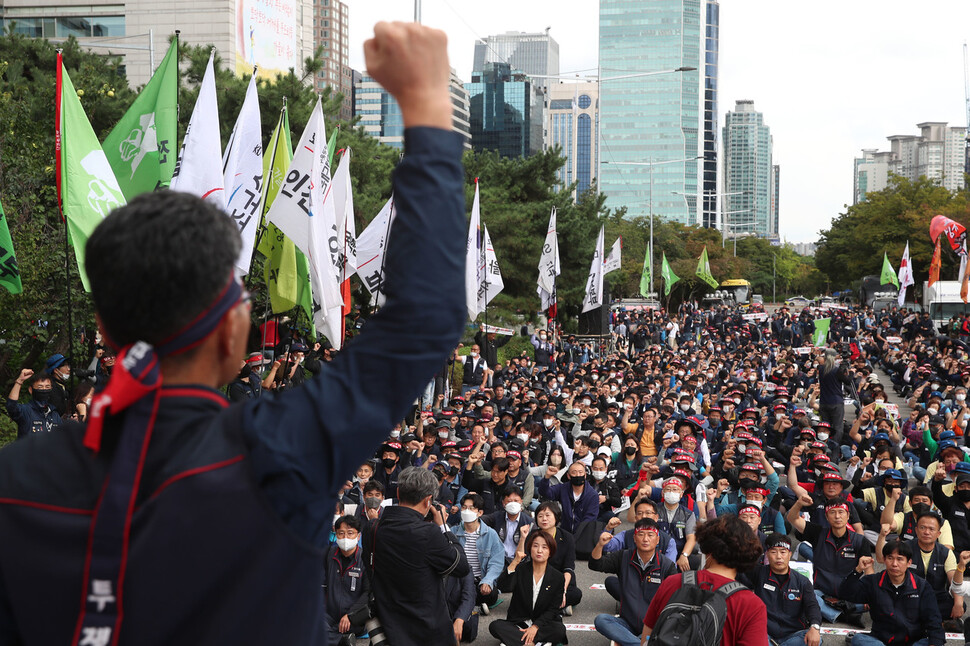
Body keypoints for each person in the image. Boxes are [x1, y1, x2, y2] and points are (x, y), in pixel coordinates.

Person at [0, 21, 465, 645]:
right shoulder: (281, 453)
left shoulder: (15, 482)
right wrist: (429, 108)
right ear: (234, 330)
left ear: (105, 328)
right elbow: (429, 318)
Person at [365, 467, 470, 646]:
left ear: (398, 492)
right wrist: (444, 527)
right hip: (426, 629)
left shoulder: (372, 528)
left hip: (389, 625)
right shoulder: (428, 532)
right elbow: (460, 567)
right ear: (429, 499)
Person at [642, 514, 767, 645]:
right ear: (748, 554)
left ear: (707, 547)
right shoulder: (750, 604)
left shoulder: (672, 582)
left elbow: (647, 637)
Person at [838, 540, 945, 646]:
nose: (894, 564)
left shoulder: (922, 586)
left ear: (909, 562)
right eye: (890, 558)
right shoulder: (873, 582)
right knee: (858, 639)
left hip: (913, 641)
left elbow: (934, 620)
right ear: (884, 560)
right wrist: (858, 570)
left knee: (933, 641)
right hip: (881, 641)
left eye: (900, 559)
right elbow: (845, 593)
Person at [590, 518, 677, 646]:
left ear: (657, 540)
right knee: (601, 620)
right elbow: (595, 564)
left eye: (650, 535)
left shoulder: (667, 565)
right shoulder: (623, 557)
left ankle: (634, 642)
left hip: (653, 626)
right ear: (634, 538)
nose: (645, 539)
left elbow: (675, 598)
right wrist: (600, 545)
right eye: (641, 535)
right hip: (627, 623)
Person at [787, 494, 870, 627]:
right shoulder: (818, 532)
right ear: (826, 517)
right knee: (804, 594)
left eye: (841, 512)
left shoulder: (860, 541)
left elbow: (869, 574)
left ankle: (835, 608)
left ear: (848, 516)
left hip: (849, 590)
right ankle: (843, 614)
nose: (837, 516)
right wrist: (799, 504)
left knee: (873, 595)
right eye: (832, 512)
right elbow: (792, 518)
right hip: (821, 590)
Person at [739, 533, 821, 646]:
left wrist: (815, 627)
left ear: (790, 554)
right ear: (767, 555)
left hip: (794, 635)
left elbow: (812, 606)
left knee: (815, 639)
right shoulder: (758, 572)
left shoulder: (802, 581)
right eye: (773, 552)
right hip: (764, 633)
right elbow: (735, 567)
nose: (778, 556)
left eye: (783, 552)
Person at [488, 529, 568, 646]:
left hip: (542, 625)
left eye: (544, 547)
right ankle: (536, 643)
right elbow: (503, 586)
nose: (539, 550)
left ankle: (523, 641)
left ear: (550, 552)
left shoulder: (557, 577)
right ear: (530, 549)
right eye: (535, 546)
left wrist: (535, 627)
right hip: (519, 622)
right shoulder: (521, 569)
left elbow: (553, 609)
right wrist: (515, 561)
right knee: (495, 626)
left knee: (559, 630)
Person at [450, 493, 505, 616]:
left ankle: (467, 605)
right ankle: (473, 606)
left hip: (479, 581)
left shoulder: (490, 534)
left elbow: (496, 561)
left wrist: (488, 581)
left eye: (471, 508)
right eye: (464, 507)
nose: (466, 511)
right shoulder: (453, 532)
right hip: (460, 581)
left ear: (480, 513)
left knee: (491, 594)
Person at [324, 515, 371, 646]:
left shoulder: (365, 559)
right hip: (329, 616)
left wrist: (351, 615)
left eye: (350, 533)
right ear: (336, 535)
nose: (345, 538)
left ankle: (331, 638)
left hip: (354, 619)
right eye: (341, 533)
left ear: (358, 536)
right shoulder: (328, 554)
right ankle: (342, 641)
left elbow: (368, 593)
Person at [5, 368, 63, 438]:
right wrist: (19, 381)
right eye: (40, 387)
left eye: (47, 387)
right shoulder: (25, 411)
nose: (44, 390)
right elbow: (11, 406)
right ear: (31, 390)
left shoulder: (54, 414)